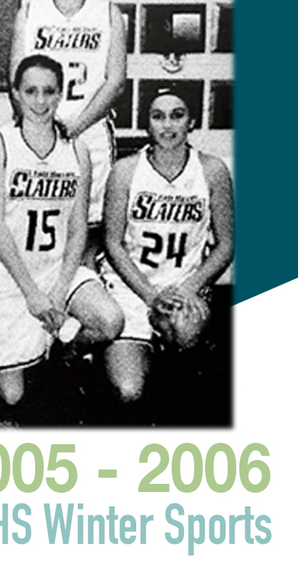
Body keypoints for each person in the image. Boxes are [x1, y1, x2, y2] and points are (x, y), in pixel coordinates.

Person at [0, 54, 123, 406]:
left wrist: (56, 292)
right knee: (12, 397)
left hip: (57, 268)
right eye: (31, 91)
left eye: (49, 91)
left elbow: (77, 230)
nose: (40, 101)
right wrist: (32, 294)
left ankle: (66, 351)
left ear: (60, 94)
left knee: (109, 321)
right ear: (16, 94)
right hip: (6, 274)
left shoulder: (78, 152)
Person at [102, 86, 234, 402]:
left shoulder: (212, 170)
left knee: (186, 336)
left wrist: (189, 288)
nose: (168, 125)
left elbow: (226, 244)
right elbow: (112, 243)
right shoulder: (125, 171)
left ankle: (167, 355)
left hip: (184, 285)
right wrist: (150, 296)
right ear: (147, 124)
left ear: (191, 122)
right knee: (128, 391)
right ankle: (126, 353)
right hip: (133, 289)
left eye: (177, 115)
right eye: (158, 117)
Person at [10, 0, 127, 235]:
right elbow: (16, 80)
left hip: (91, 130)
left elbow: (115, 82)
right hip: (39, 129)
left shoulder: (108, 13)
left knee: (90, 224)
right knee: (41, 219)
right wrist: (43, 127)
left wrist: (74, 127)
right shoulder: (31, 13)